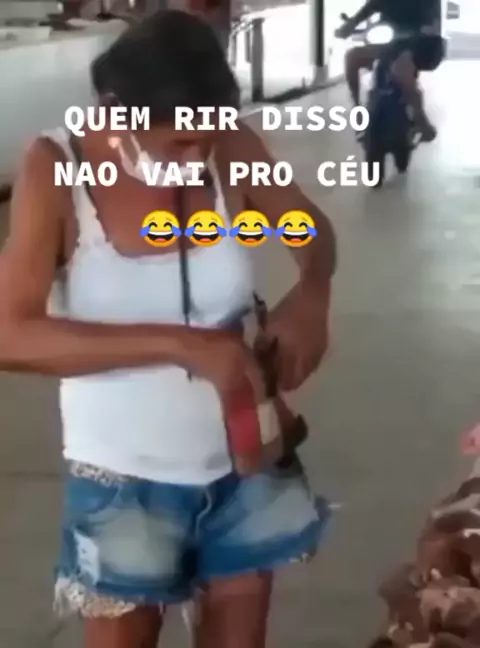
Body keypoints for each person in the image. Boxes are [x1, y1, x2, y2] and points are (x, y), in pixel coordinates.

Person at [0, 10, 336, 648]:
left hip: (245, 468)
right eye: (179, 143)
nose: (197, 157)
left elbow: (309, 230)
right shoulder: (56, 168)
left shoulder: (228, 145)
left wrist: (311, 293)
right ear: (116, 111)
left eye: (206, 139)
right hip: (125, 482)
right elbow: (11, 334)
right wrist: (181, 344)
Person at [335, 0, 445, 142]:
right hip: (391, 43)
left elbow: (433, 17)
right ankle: (358, 109)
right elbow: (370, 7)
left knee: (401, 69)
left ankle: (421, 120)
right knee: (352, 57)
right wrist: (349, 26)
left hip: (418, 44)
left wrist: (428, 28)